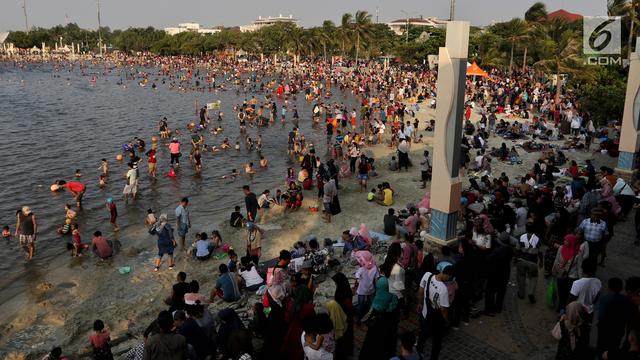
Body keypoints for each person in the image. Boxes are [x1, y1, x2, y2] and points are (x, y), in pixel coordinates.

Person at [416, 262, 453, 360]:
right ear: (447, 275)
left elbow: (420, 291)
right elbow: (443, 309)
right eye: (449, 277)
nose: (449, 279)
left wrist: (420, 303)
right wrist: (447, 320)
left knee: (423, 336)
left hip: (425, 313)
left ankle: (418, 354)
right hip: (436, 318)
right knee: (437, 342)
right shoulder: (443, 289)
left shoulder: (427, 275)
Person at [516, 223, 542, 303]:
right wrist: (541, 261)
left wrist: (515, 258)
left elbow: (517, 249)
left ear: (526, 229)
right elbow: (540, 252)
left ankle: (521, 293)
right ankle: (531, 293)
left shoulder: (521, 237)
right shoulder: (538, 239)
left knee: (521, 277)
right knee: (533, 278)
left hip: (521, 261)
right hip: (532, 262)